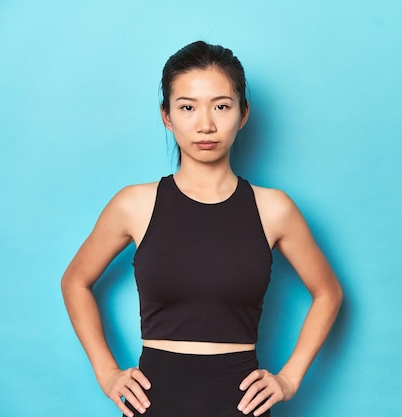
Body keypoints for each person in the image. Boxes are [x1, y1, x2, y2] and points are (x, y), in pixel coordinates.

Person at [61, 40, 343, 417]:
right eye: (188, 107)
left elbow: (328, 292)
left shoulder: (273, 209)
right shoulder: (134, 204)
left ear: (243, 114)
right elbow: (75, 281)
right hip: (155, 404)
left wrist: (289, 378)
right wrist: (107, 371)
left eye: (221, 106)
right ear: (166, 115)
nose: (205, 124)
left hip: (241, 406)